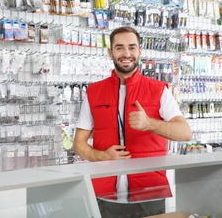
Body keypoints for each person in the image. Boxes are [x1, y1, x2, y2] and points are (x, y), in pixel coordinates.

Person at [73, 26, 192, 217]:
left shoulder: (158, 89)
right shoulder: (94, 92)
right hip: (105, 194)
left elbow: (185, 133)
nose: (126, 53)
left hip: (149, 191)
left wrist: (149, 123)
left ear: (139, 51)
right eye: (119, 48)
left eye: (132, 47)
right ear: (110, 52)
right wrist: (103, 156)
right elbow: (78, 145)